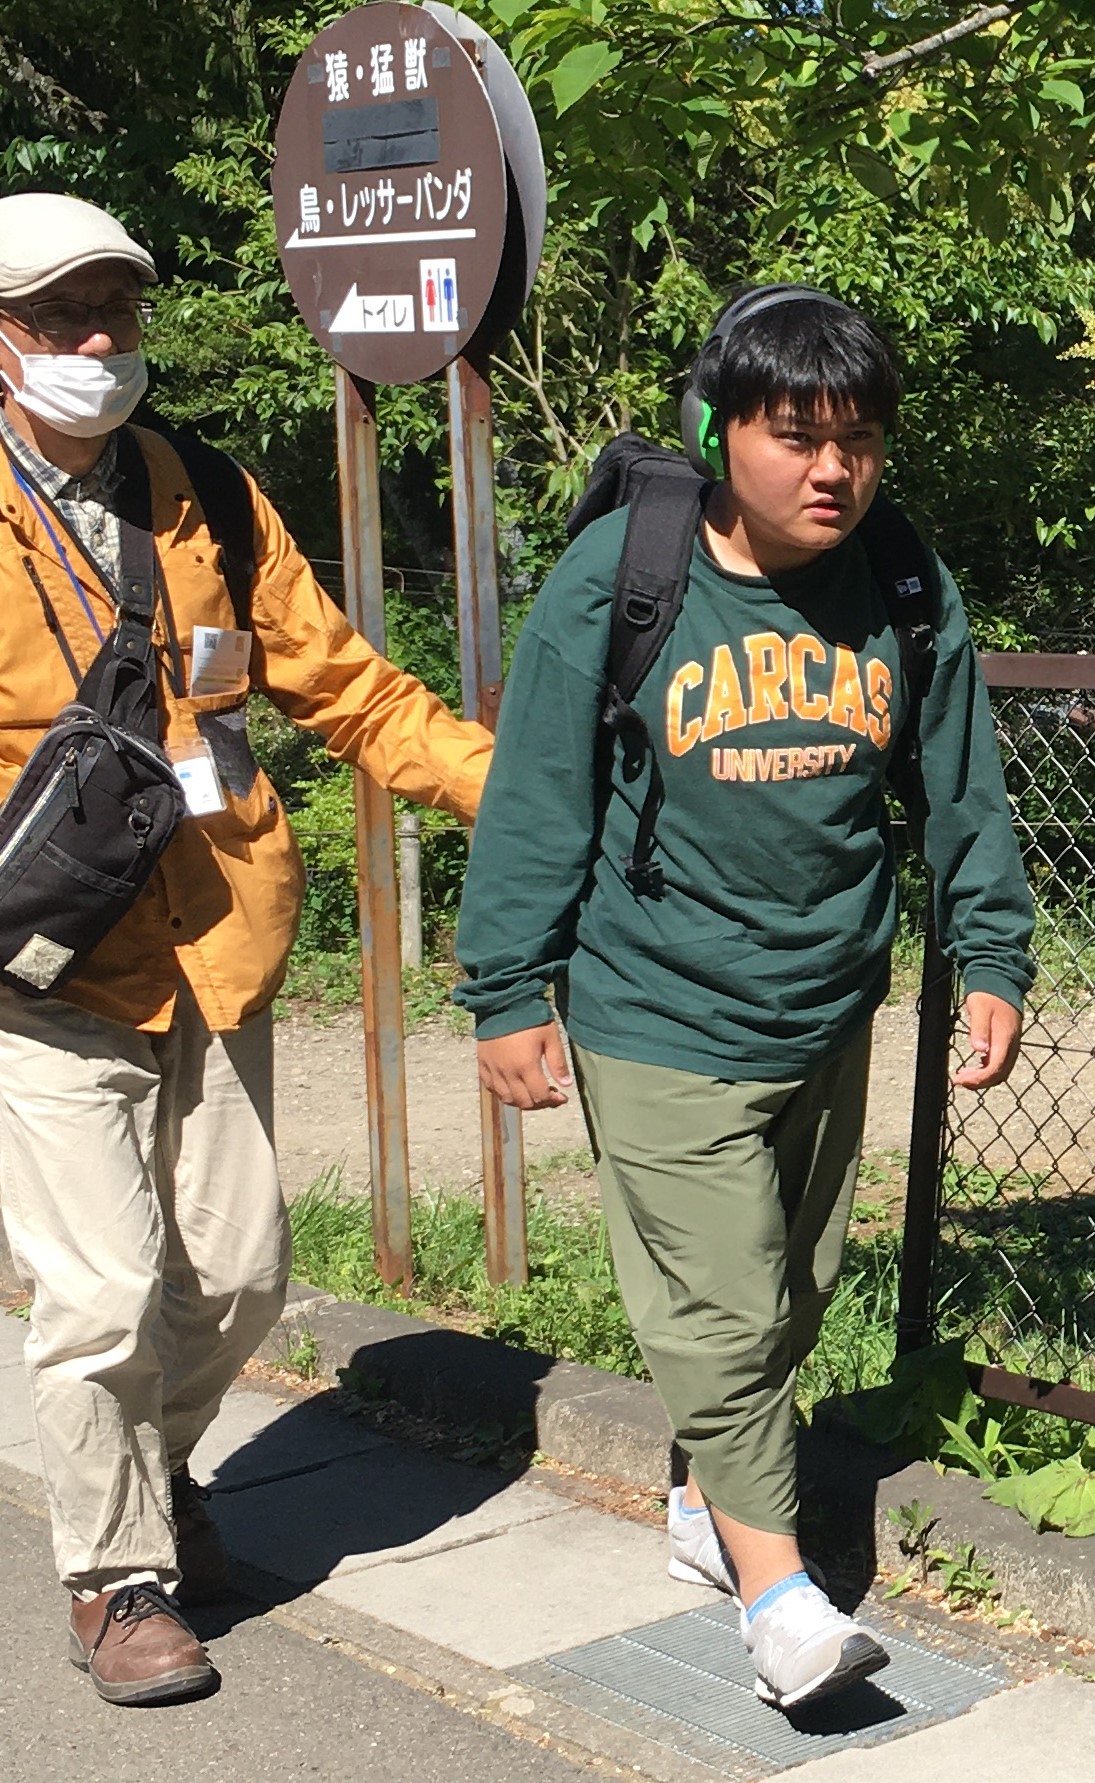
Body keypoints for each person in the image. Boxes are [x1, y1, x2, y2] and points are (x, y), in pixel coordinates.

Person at [455, 285, 1034, 1711]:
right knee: (720, 1307)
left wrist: (994, 955)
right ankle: (783, 1607)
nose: (835, 470)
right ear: (721, 434)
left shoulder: (901, 579)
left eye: (860, 442)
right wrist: (507, 988)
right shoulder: (621, 581)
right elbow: (539, 795)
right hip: (658, 1008)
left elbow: (958, 783)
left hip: (826, 1002)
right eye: (798, 438)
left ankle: (701, 1508)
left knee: (787, 1295)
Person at [0, 191, 492, 1707]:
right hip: (40, 968)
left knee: (241, 1273)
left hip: (215, 936)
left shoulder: (202, 493)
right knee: (100, 1292)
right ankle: (116, 1577)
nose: (98, 342)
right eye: (60, 316)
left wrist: (524, 795)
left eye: (116, 311)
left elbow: (347, 686)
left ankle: (152, 1475)